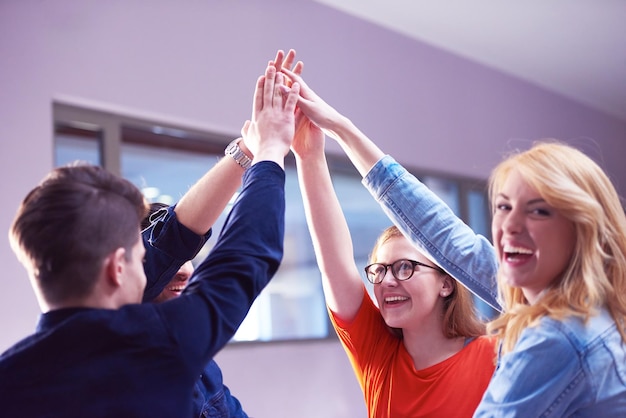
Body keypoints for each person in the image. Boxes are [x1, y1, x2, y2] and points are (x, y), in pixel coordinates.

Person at [279, 50, 626, 416]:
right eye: (504, 207)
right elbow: (441, 234)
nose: (509, 225)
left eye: (538, 211)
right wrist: (325, 141)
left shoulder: (544, 341)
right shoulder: (546, 308)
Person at [0, 64, 299, 417]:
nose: (153, 268)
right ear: (116, 268)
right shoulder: (155, 343)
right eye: (141, 257)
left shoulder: (10, 380)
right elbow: (243, 257)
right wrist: (273, 150)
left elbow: (174, 238)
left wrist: (248, 151)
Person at [282, 53, 496, 417]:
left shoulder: (495, 356)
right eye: (378, 270)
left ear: (447, 282)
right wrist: (308, 155)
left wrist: (341, 127)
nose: (385, 282)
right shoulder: (376, 354)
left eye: (404, 268)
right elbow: (333, 259)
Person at [141, 202, 247, 417]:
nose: (186, 271)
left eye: (189, 259)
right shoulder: (114, 359)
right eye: (168, 261)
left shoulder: (200, 359)